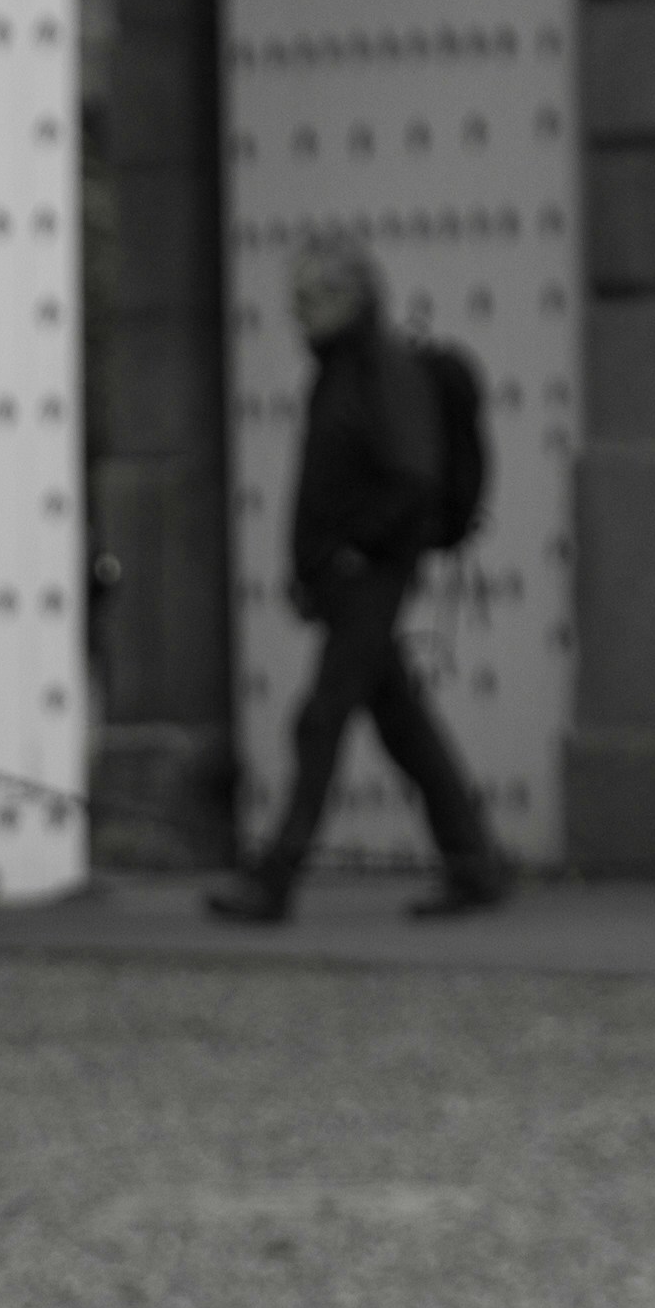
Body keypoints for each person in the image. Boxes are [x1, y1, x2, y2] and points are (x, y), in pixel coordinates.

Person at [207, 237, 512, 925]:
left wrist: (353, 548)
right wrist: (315, 563)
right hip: (354, 576)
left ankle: (275, 877)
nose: (299, 311)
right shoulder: (343, 370)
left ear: (354, 298)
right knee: (401, 723)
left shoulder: (379, 371)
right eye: (298, 298)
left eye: (315, 296)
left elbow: (413, 476)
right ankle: (474, 862)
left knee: (321, 721)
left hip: (372, 577)